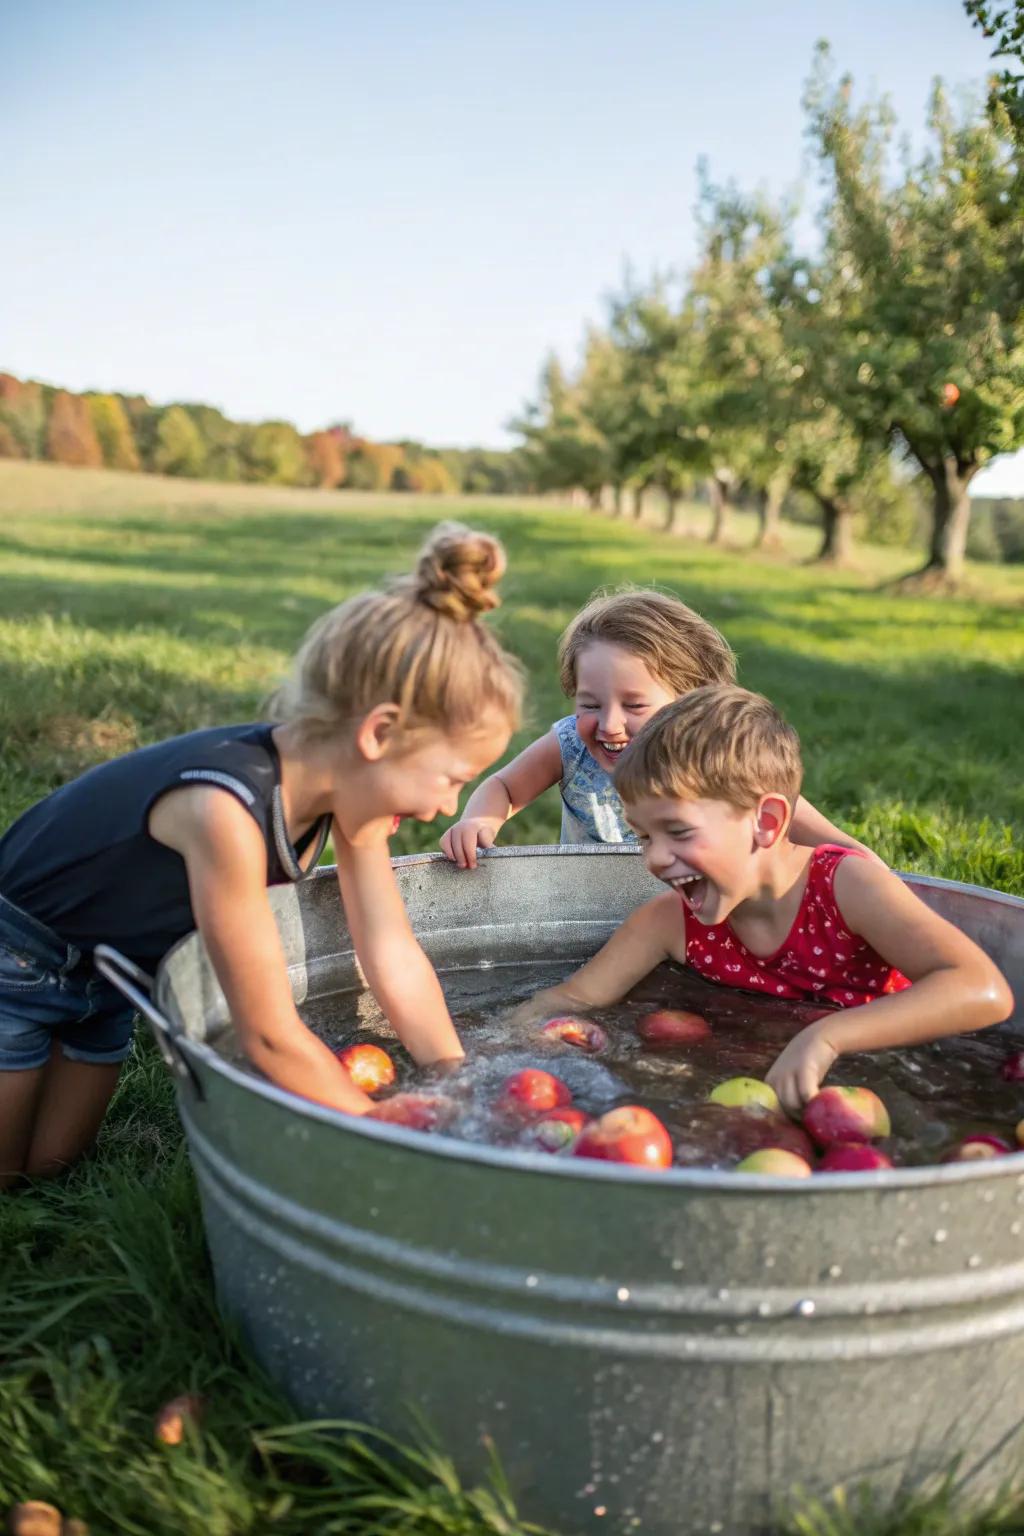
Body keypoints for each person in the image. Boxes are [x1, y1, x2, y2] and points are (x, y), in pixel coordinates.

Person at [0, 523, 522, 1185]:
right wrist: (391, 1135)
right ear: (379, 733)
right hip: (19, 953)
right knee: (7, 1179)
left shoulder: (353, 805)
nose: (447, 808)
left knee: (54, 1171)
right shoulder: (224, 814)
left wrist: (458, 1083)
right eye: (450, 779)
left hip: (107, 976)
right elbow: (269, 1035)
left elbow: (390, 954)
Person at [514, 685, 1013, 1113]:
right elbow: (571, 998)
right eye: (644, 837)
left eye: (679, 832)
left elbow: (982, 989)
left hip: (893, 1085)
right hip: (752, 1088)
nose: (657, 860)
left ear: (766, 822)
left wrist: (829, 1036)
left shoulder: (848, 889)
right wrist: (509, 1045)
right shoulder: (669, 923)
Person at [441, 587, 878, 868]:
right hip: (585, 909)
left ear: (690, 700)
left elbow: (804, 825)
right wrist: (479, 819)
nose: (609, 724)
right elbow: (506, 787)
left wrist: (867, 870)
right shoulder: (571, 743)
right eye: (589, 703)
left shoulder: (717, 758)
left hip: (690, 910)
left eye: (635, 705)